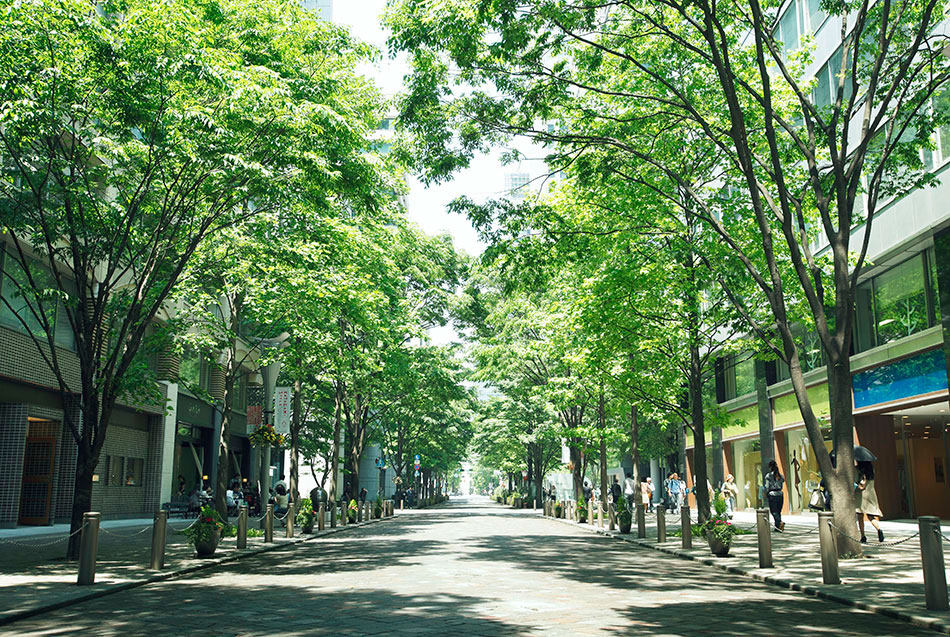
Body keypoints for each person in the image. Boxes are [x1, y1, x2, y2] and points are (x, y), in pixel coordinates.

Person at [855, 460, 884, 543]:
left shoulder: (858, 470)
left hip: (860, 495)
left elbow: (855, 480)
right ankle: (878, 529)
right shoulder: (871, 471)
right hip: (870, 494)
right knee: (870, 516)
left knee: (860, 516)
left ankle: (863, 536)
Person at [765, 460, 785, 531]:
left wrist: (766, 493)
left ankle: (780, 522)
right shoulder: (781, 476)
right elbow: (782, 485)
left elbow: (767, 486)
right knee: (778, 511)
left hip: (772, 494)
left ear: (770, 467)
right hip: (780, 494)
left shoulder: (768, 476)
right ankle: (778, 527)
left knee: (774, 511)